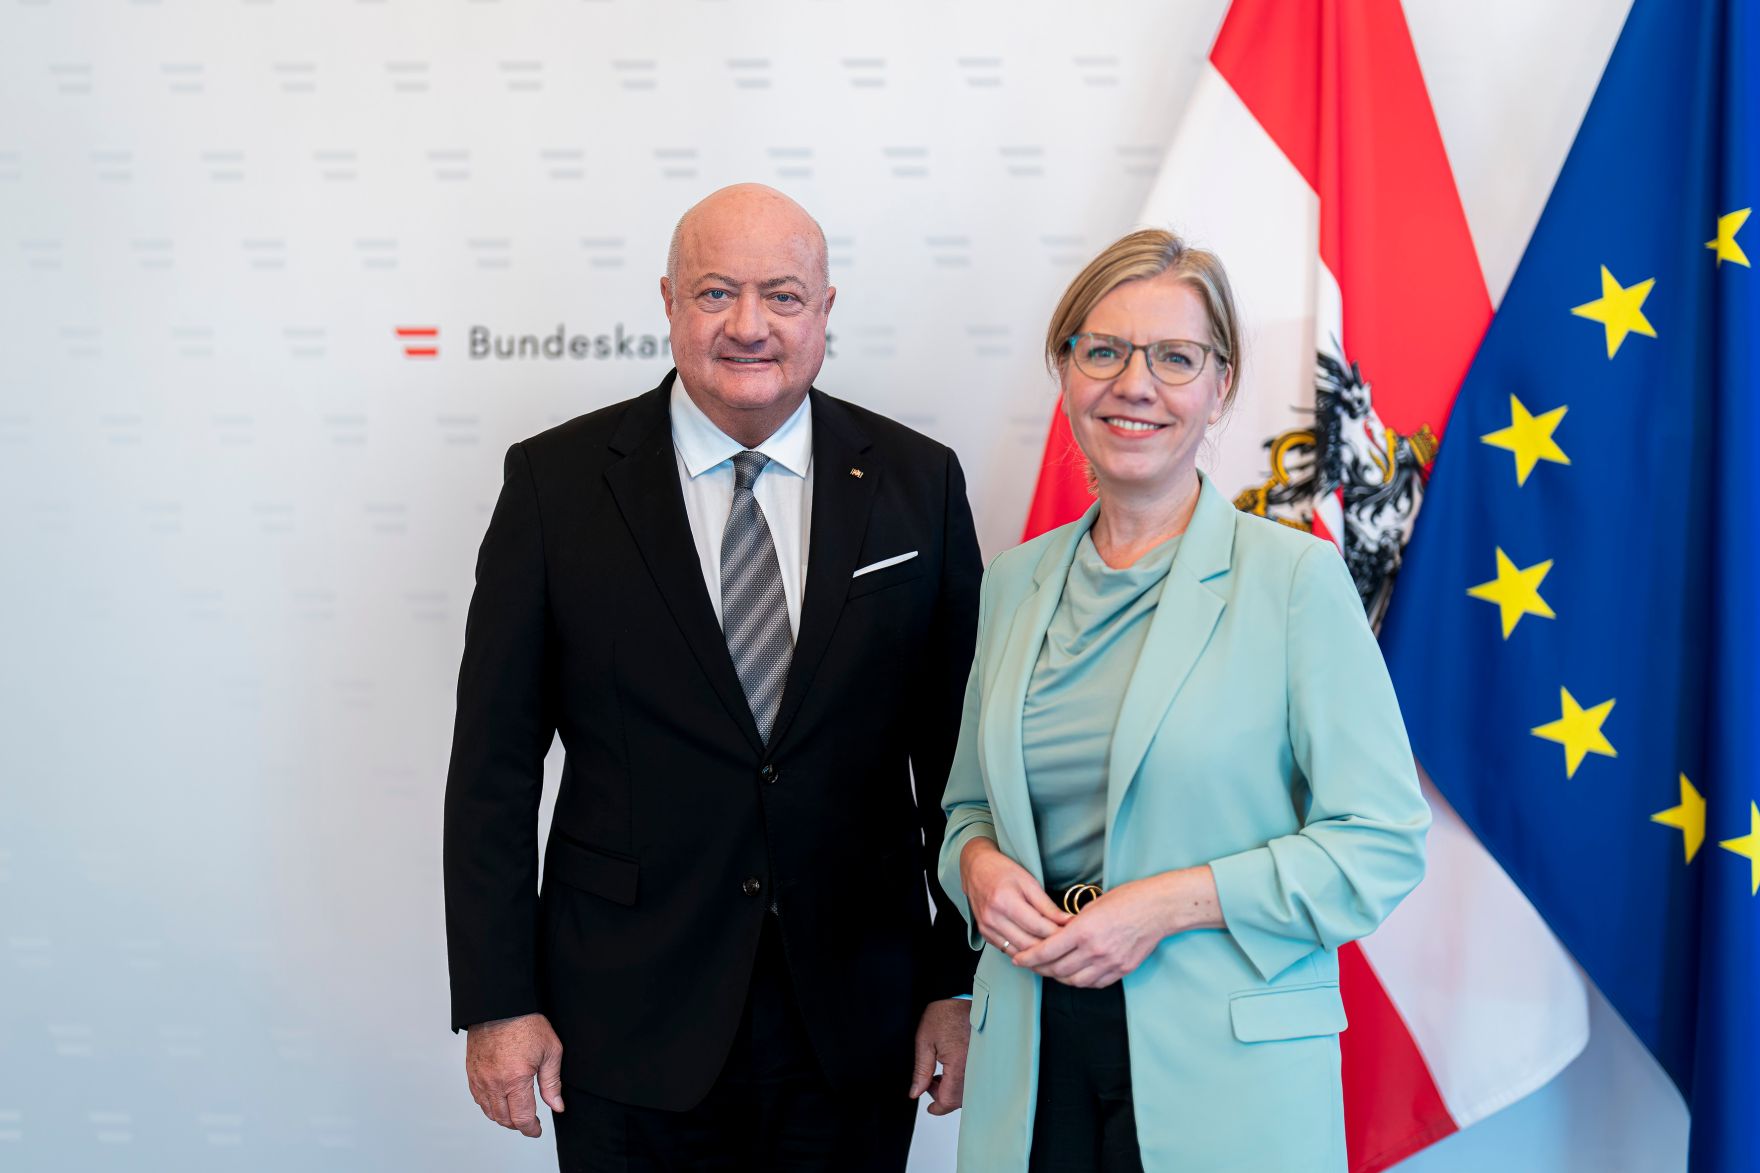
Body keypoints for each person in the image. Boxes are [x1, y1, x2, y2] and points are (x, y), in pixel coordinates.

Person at [444, 183, 981, 1172]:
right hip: (621, 1017)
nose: (747, 326)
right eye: (714, 293)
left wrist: (957, 980)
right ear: (666, 302)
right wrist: (496, 998)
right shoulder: (554, 487)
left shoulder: (919, 483)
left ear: (824, 311)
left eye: (780, 296)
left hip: (858, 1018)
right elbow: (493, 772)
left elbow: (961, 766)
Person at [937, 229, 1431, 1172]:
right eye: (1105, 350)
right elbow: (967, 808)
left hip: (1225, 1074)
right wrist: (977, 869)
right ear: (1066, 369)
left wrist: (1165, 904)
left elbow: (1379, 840)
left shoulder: (1294, 581)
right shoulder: (1014, 582)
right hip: (1031, 1063)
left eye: (1175, 357)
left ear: (1220, 386)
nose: (1136, 384)